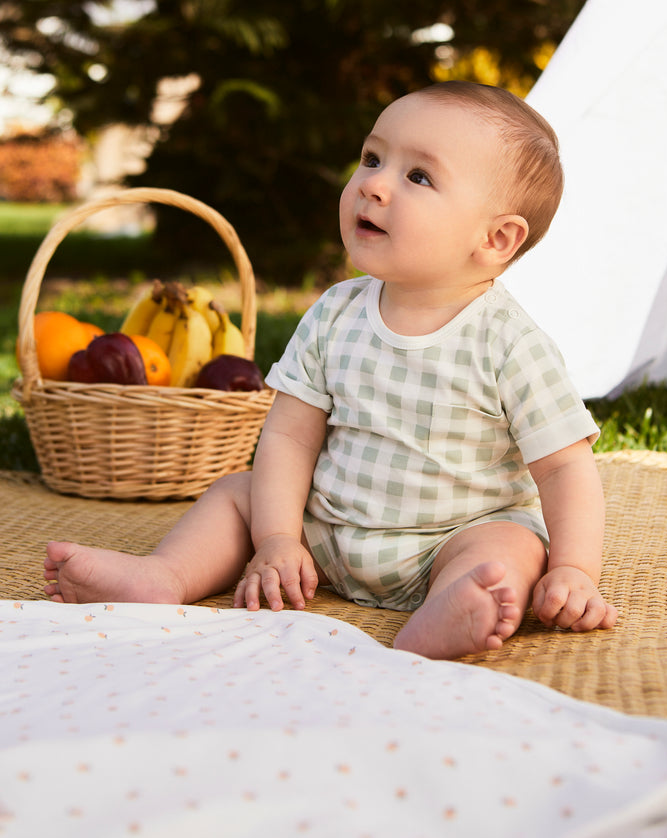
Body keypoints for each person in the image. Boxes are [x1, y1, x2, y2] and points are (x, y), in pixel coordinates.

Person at [44, 82, 618, 660]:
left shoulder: (510, 343)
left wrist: (573, 570)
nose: (372, 183)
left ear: (496, 239)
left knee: (508, 549)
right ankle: (164, 576)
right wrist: (275, 537)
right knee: (236, 494)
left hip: (449, 537)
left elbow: (565, 468)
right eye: (372, 158)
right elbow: (291, 435)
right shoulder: (334, 312)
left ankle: (451, 610)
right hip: (324, 533)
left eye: (417, 176)